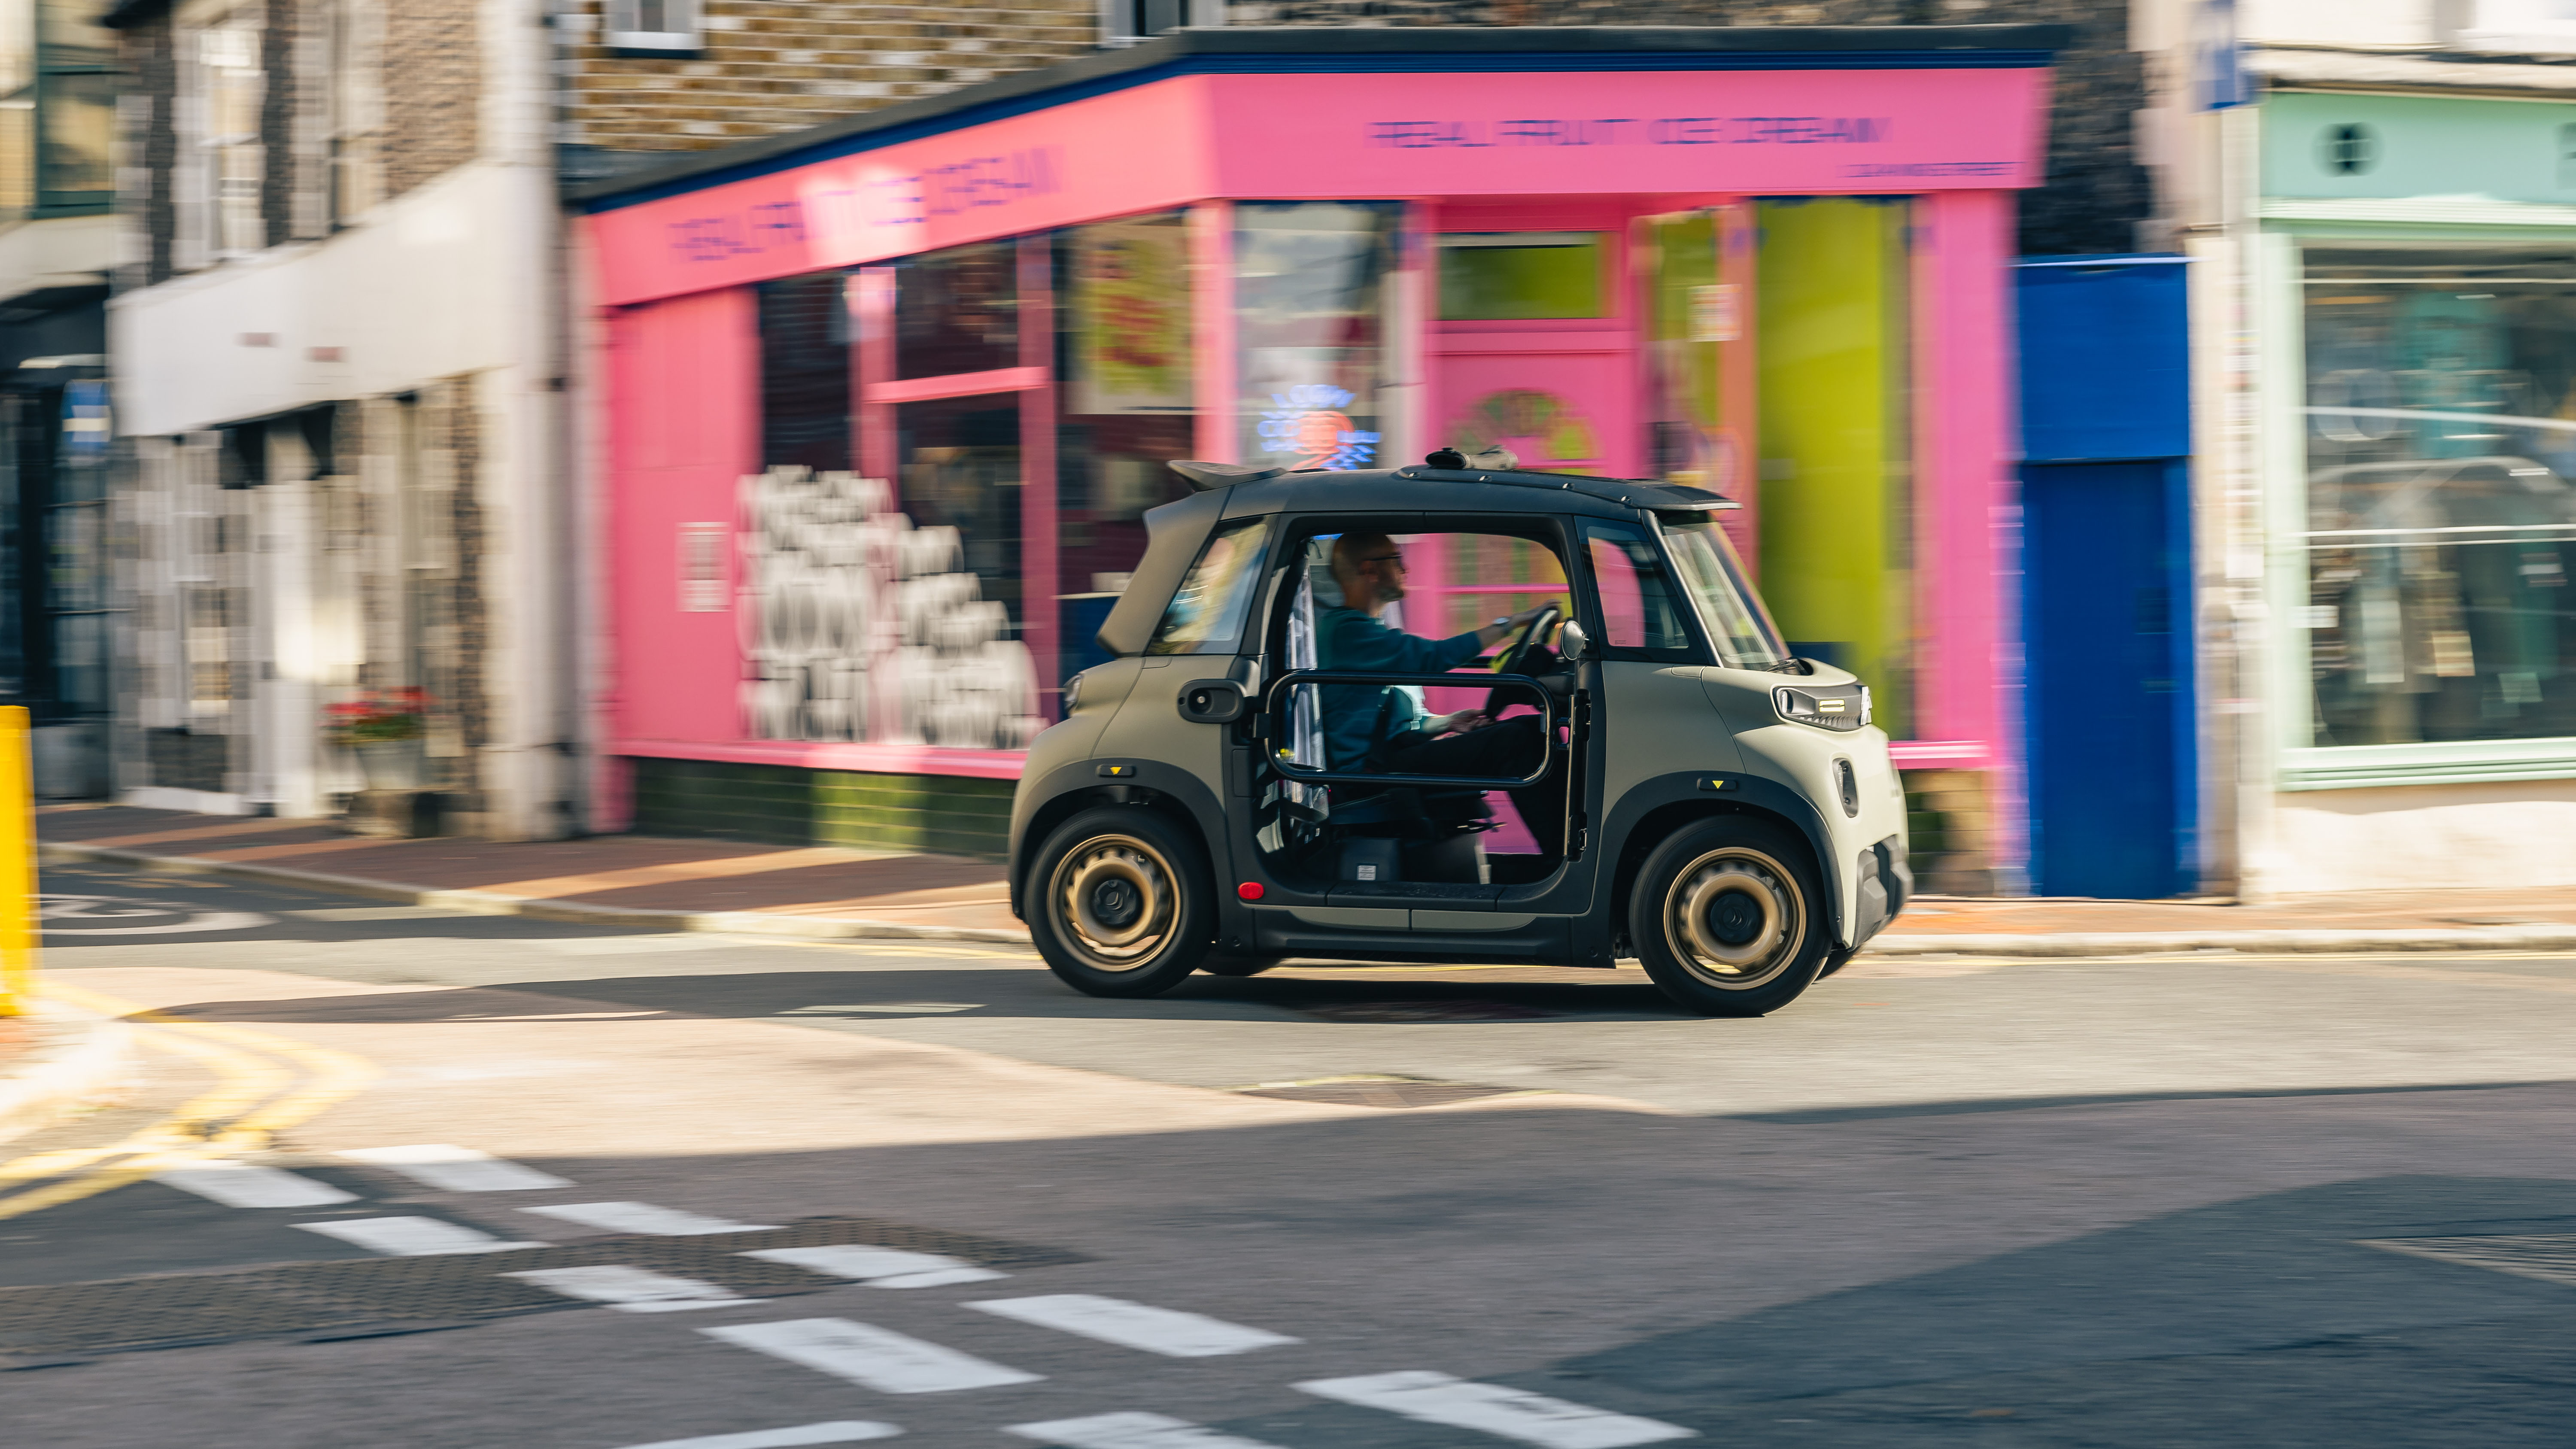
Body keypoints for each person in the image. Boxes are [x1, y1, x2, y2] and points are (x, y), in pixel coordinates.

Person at [1318, 532, 1568, 859]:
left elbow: (1402, 723)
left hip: (1388, 759)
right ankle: (1561, 858)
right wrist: (1513, 622)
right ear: (1370, 570)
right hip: (1371, 773)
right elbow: (1435, 657)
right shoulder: (1348, 632)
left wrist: (1449, 722)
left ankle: (1563, 850)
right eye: (1397, 560)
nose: (1406, 568)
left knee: (1529, 730)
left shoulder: (1371, 634)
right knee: (1519, 739)